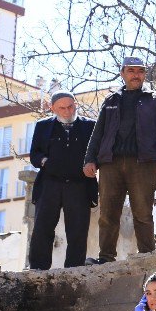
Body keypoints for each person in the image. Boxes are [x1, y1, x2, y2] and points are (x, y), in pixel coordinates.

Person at [83, 57, 156, 264]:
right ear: (123, 73)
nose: (136, 75)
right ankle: (106, 258)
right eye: (131, 70)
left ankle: (147, 257)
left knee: (143, 213)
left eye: (140, 71)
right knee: (107, 214)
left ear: (145, 74)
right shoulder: (111, 101)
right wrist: (90, 160)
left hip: (144, 164)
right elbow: (97, 134)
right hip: (110, 163)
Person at [28, 92, 97, 270]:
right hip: (50, 183)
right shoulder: (43, 126)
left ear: (75, 105)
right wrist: (45, 161)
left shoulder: (90, 126)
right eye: (62, 108)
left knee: (78, 229)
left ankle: (74, 270)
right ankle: (38, 269)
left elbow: (98, 152)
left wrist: (93, 164)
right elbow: (35, 154)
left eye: (70, 106)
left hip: (79, 184)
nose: (67, 111)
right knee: (43, 226)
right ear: (53, 108)